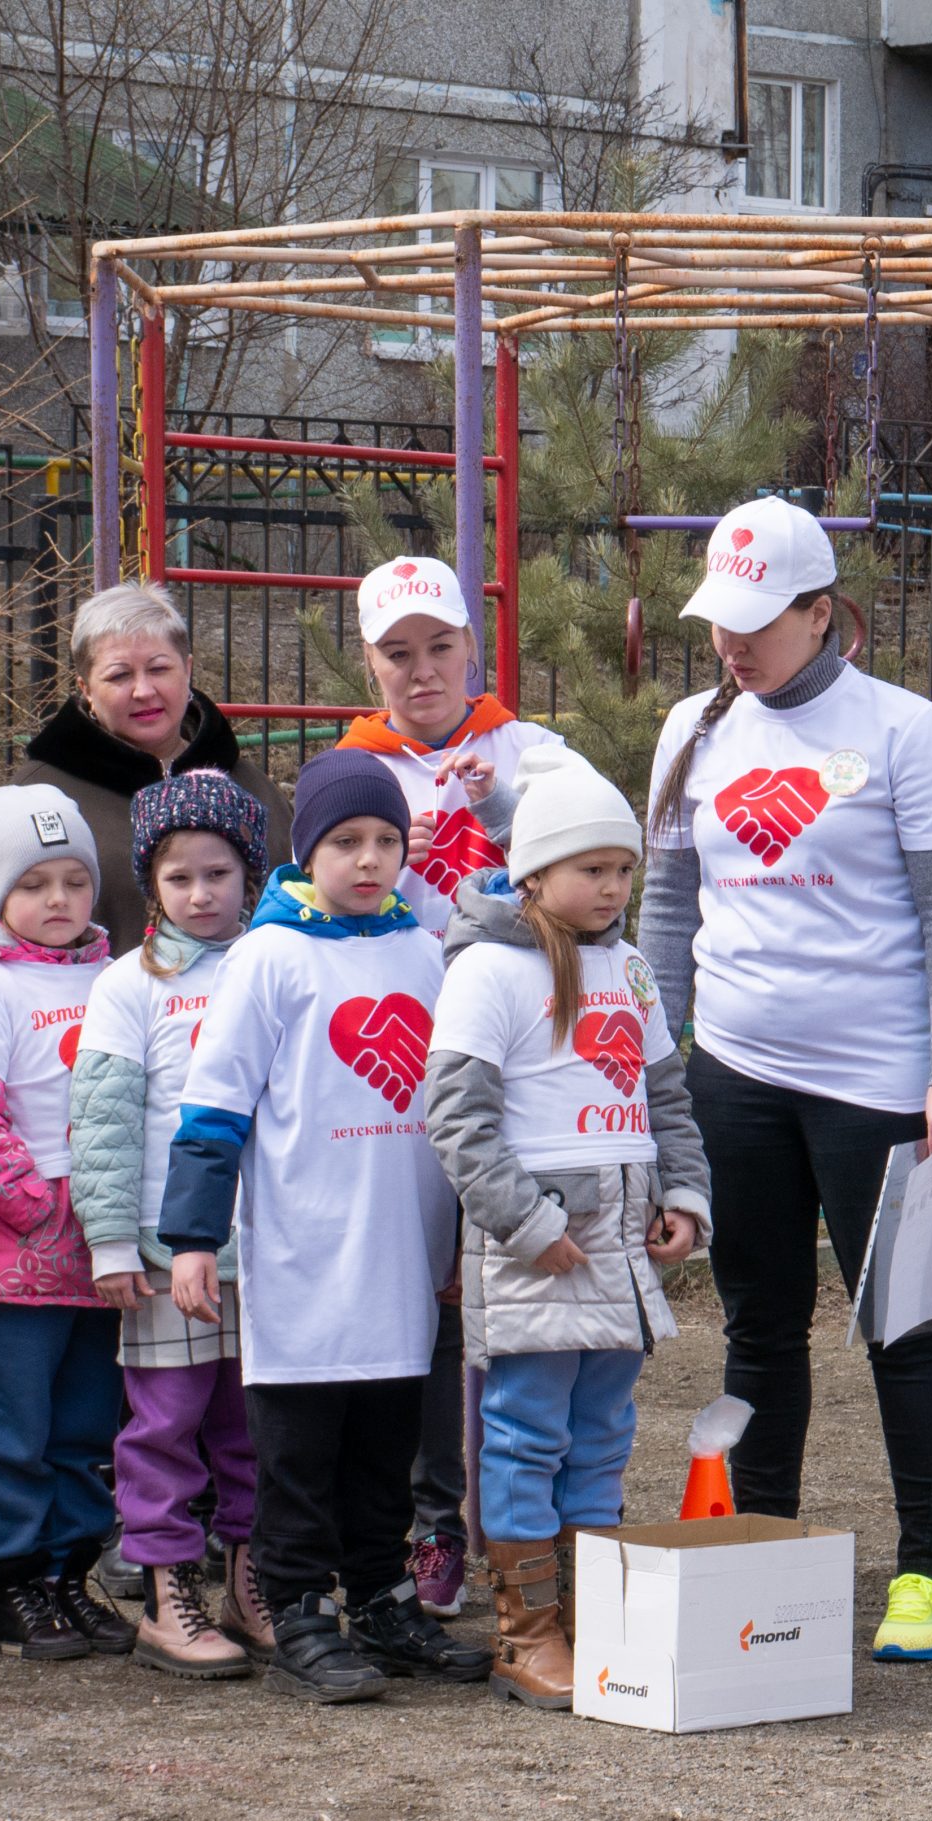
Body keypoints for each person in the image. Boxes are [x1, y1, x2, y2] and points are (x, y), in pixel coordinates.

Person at [641, 497, 932, 1662]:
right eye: (717, 621)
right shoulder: (692, 729)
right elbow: (669, 904)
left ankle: (926, 1573)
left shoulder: (904, 731)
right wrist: (652, 1058)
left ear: (819, 610)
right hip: (735, 1070)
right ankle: (765, 1547)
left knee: (904, 1326)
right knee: (758, 1327)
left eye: (754, 622)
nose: (730, 645)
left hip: (880, 1081)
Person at [159, 749, 490, 1703]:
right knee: (300, 1451)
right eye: (346, 841)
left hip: (405, 1254)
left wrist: (465, 1239)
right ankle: (301, 1608)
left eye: (387, 840)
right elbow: (213, 1106)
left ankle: (382, 1603)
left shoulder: (427, 954)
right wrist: (191, 1238)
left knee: (389, 1444)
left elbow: (464, 1105)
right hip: (306, 1257)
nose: (370, 859)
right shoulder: (269, 955)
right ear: (308, 851)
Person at [428, 746, 712, 1708]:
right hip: (542, 1249)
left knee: (602, 1436)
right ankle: (526, 1631)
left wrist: (685, 1197)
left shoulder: (631, 968)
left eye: (624, 868)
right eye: (593, 868)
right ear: (536, 872)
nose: (613, 885)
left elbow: (663, 1096)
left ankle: (596, 1613)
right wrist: (526, 1224)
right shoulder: (488, 973)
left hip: (622, 1248)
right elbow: (457, 1118)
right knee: (524, 1434)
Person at [336, 554, 561, 1618]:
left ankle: (534, 1520)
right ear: (369, 661)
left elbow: (595, 873)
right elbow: (309, 902)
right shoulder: (354, 767)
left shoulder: (530, 748)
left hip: (521, 1062)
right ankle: (434, 1523)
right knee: (427, 1303)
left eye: (439, 646)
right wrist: (379, 854)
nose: (421, 671)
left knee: (527, 1286)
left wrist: (508, 812)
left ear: (473, 645)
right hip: (395, 1072)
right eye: (398, 653)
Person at [69, 773, 273, 1679]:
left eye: (219, 873)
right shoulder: (127, 985)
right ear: (151, 882)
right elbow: (104, 1123)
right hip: (163, 1258)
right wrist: (112, 1243)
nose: (201, 894)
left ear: (250, 874)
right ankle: (165, 1591)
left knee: (252, 1426)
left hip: (266, 1251)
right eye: (180, 876)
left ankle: (251, 1576)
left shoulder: (275, 962)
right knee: (164, 1427)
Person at [0, 784, 128, 1662]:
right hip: (22, 1253)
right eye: (35, 883)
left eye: (74, 881)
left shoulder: (117, 978)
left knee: (89, 1426)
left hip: (105, 1247)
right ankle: (13, 1582)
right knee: (19, 1431)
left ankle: (70, 1575)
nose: (58, 901)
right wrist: (37, 1205)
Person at [0, 584, 292, 953]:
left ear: (188, 669)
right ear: (85, 688)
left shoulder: (250, 788)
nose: (143, 690)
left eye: (159, 668)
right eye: (119, 676)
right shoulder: (31, 806)